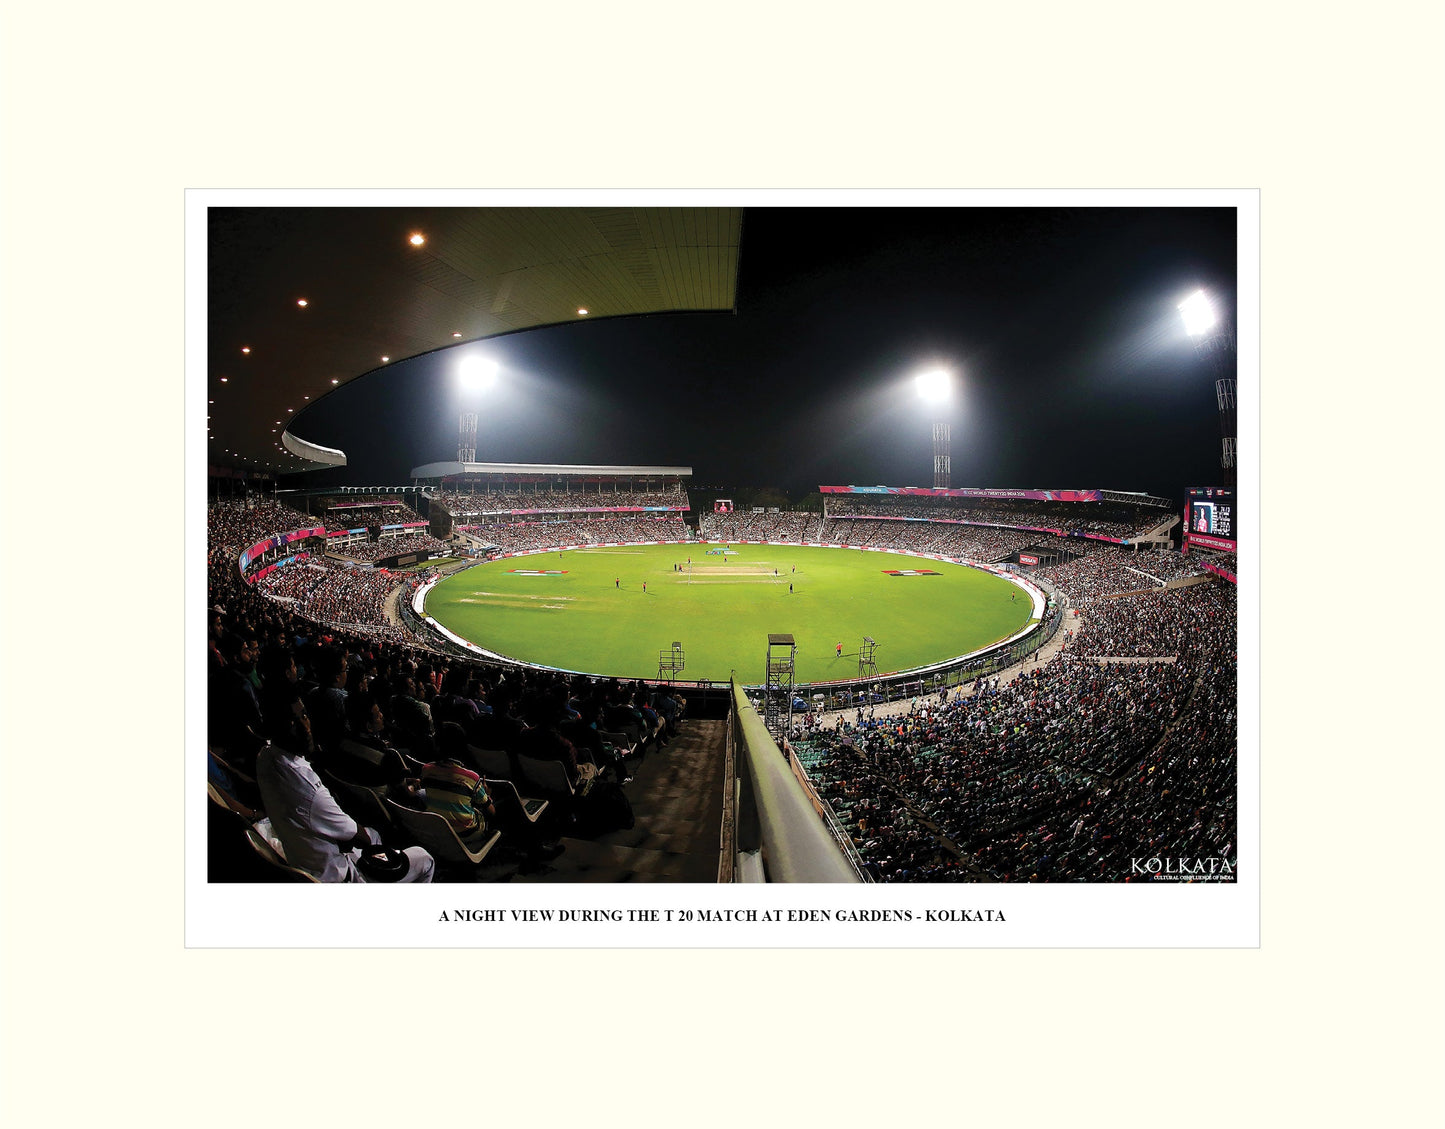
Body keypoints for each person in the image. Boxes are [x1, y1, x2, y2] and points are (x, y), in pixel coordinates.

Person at [256, 690, 435, 883]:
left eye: (305, 716)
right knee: (425, 858)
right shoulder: (311, 792)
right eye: (292, 722)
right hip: (340, 875)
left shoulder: (265, 757)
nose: (305, 726)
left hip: (304, 857)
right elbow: (356, 835)